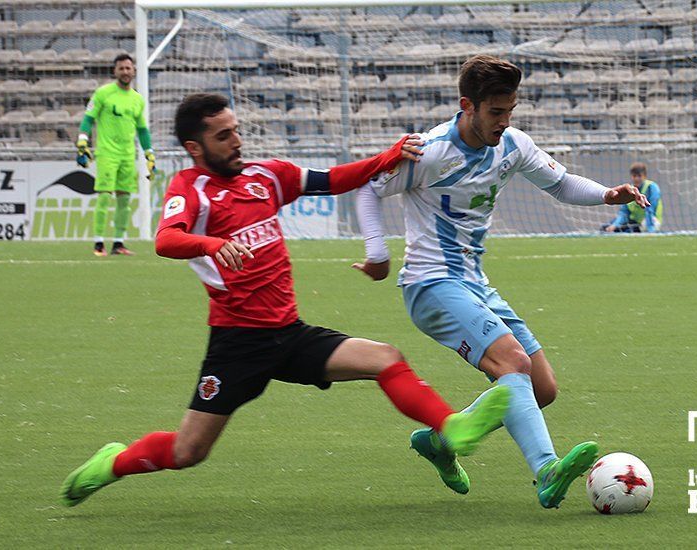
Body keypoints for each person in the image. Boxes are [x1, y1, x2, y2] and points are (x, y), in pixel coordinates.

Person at [60, 93, 511, 507]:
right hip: (237, 346)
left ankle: (452, 429)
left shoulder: (266, 176)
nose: (236, 141)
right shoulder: (190, 188)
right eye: (223, 136)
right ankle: (112, 463)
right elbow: (166, 239)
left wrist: (384, 158)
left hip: (290, 334)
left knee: (385, 358)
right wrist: (211, 244)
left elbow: (334, 179)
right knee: (187, 451)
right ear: (195, 148)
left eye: (236, 130)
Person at [353, 55, 650, 506]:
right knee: (514, 364)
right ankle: (547, 469)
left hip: (474, 280)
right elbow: (368, 188)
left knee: (541, 389)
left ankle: (440, 443)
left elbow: (561, 183)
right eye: (496, 112)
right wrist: (377, 254)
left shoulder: (512, 143)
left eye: (511, 110)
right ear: (467, 105)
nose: (505, 121)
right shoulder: (429, 151)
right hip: (430, 283)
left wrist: (608, 195)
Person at [76, 53, 156, 256]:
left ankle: (118, 243)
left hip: (128, 155)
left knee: (125, 200)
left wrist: (149, 153)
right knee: (104, 196)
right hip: (107, 153)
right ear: (115, 71)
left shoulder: (137, 99)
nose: (125, 72)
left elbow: (142, 130)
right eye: (121, 68)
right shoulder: (103, 93)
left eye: (128, 68)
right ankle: (98, 243)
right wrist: (83, 140)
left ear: (134, 71)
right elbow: (88, 118)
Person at [602, 162, 663, 233]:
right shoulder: (628, 190)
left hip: (650, 222)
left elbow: (650, 210)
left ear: (645, 176)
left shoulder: (651, 188)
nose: (636, 179)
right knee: (605, 228)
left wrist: (650, 230)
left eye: (639, 176)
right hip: (633, 222)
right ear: (631, 176)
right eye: (634, 176)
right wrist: (615, 225)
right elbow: (624, 213)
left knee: (627, 231)